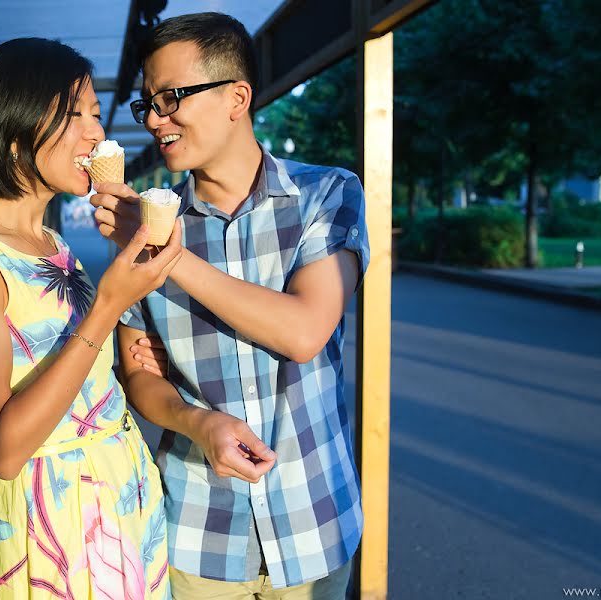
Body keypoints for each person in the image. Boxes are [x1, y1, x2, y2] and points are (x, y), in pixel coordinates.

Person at [91, 13, 369, 599]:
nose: (156, 121)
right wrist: (199, 420)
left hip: (312, 519)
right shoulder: (143, 223)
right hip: (197, 532)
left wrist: (168, 252)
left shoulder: (326, 194)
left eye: (172, 99)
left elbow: (304, 331)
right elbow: (141, 374)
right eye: (148, 105)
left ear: (237, 97)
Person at [0, 37, 180, 599]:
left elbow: (71, 363)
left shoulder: (51, 240)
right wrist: (106, 306)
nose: (95, 132)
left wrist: (125, 351)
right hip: (52, 519)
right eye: (74, 114)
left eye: (93, 113)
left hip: (120, 492)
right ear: (15, 130)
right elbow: (3, 450)